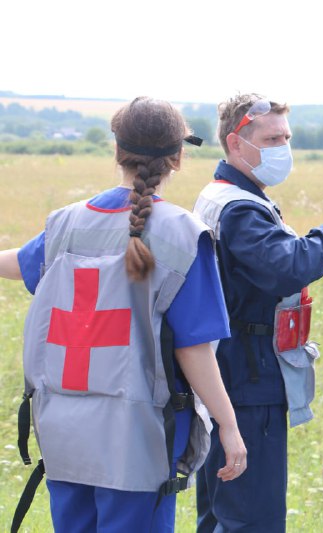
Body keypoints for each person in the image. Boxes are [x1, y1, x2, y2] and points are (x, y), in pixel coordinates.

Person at [0, 96, 246, 532]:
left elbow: (19, 263)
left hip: (63, 430)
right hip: (137, 437)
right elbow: (194, 349)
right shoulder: (184, 236)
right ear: (178, 156)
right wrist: (228, 424)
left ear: (117, 151)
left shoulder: (66, 223)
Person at [192, 93, 323, 532]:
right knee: (251, 518)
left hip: (227, 373)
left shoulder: (222, 195)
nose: (283, 148)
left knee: (220, 513)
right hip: (246, 378)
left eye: (286, 137)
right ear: (236, 143)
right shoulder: (239, 208)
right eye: (271, 138)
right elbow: (286, 267)